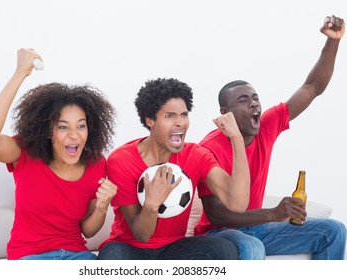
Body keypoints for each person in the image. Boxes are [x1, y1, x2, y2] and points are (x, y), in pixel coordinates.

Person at [195, 15, 347, 260]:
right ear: (225, 113)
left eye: (255, 98)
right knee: (252, 247)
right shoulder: (209, 149)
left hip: (260, 228)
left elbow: (311, 88)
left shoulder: (266, 126)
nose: (254, 103)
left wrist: (333, 42)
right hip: (220, 233)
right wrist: (272, 214)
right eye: (243, 100)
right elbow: (216, 215)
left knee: (333, 231)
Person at [0, 48, 117, 260]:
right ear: (47, 131)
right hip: (29, 256)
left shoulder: (96, 163)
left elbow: (88, 230)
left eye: (81, 126)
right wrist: (19, 73)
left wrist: (102, 207)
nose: (74, 135)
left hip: (76, 256)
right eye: (62, 127)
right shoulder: (24, 153)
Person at [98, 77, 250, 260]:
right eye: (170, 116)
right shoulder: (122, 160)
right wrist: (152, 204)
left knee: (225, 249)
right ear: (150, 120)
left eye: (184, 115)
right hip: (129, 247)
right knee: (112, 256)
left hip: (175, 247)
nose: (180, 123)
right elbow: (141, 235)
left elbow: (237, 204)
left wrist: (236, 139)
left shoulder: (196, 155)